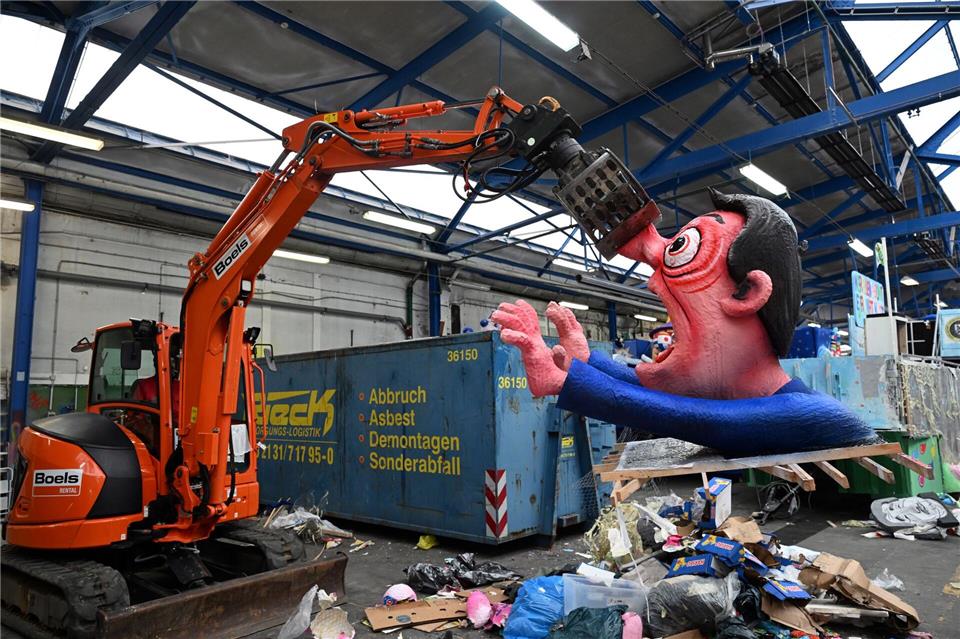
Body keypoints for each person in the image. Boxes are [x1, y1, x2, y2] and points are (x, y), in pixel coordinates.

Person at [493, 191, 874, 455]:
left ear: (748, 293)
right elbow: (672, 398)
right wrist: (588, 361)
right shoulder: (738, 397)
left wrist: (569, 381)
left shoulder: (813, 414)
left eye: (683, 248)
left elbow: (705, 421)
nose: (652, 274)